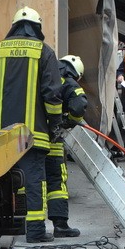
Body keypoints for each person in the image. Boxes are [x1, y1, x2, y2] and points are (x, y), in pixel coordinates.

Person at [0, 6, 63, 243]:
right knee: (32, 181)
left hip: (1, 135)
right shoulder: (44, 52)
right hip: (32, 135)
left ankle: (0, 229)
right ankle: (35, 232)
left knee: (1, 182)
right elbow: (52, 96)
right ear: (37, 28)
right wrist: (55, 125)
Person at [44, 54, 88, 238]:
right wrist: (70, 122)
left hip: (29, 137)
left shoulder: (45, 75)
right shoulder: (68, 82)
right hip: (52, 139)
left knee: (32, 180)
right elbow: (79, 105)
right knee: (56, 180)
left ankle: (29, 225)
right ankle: (60, 225)